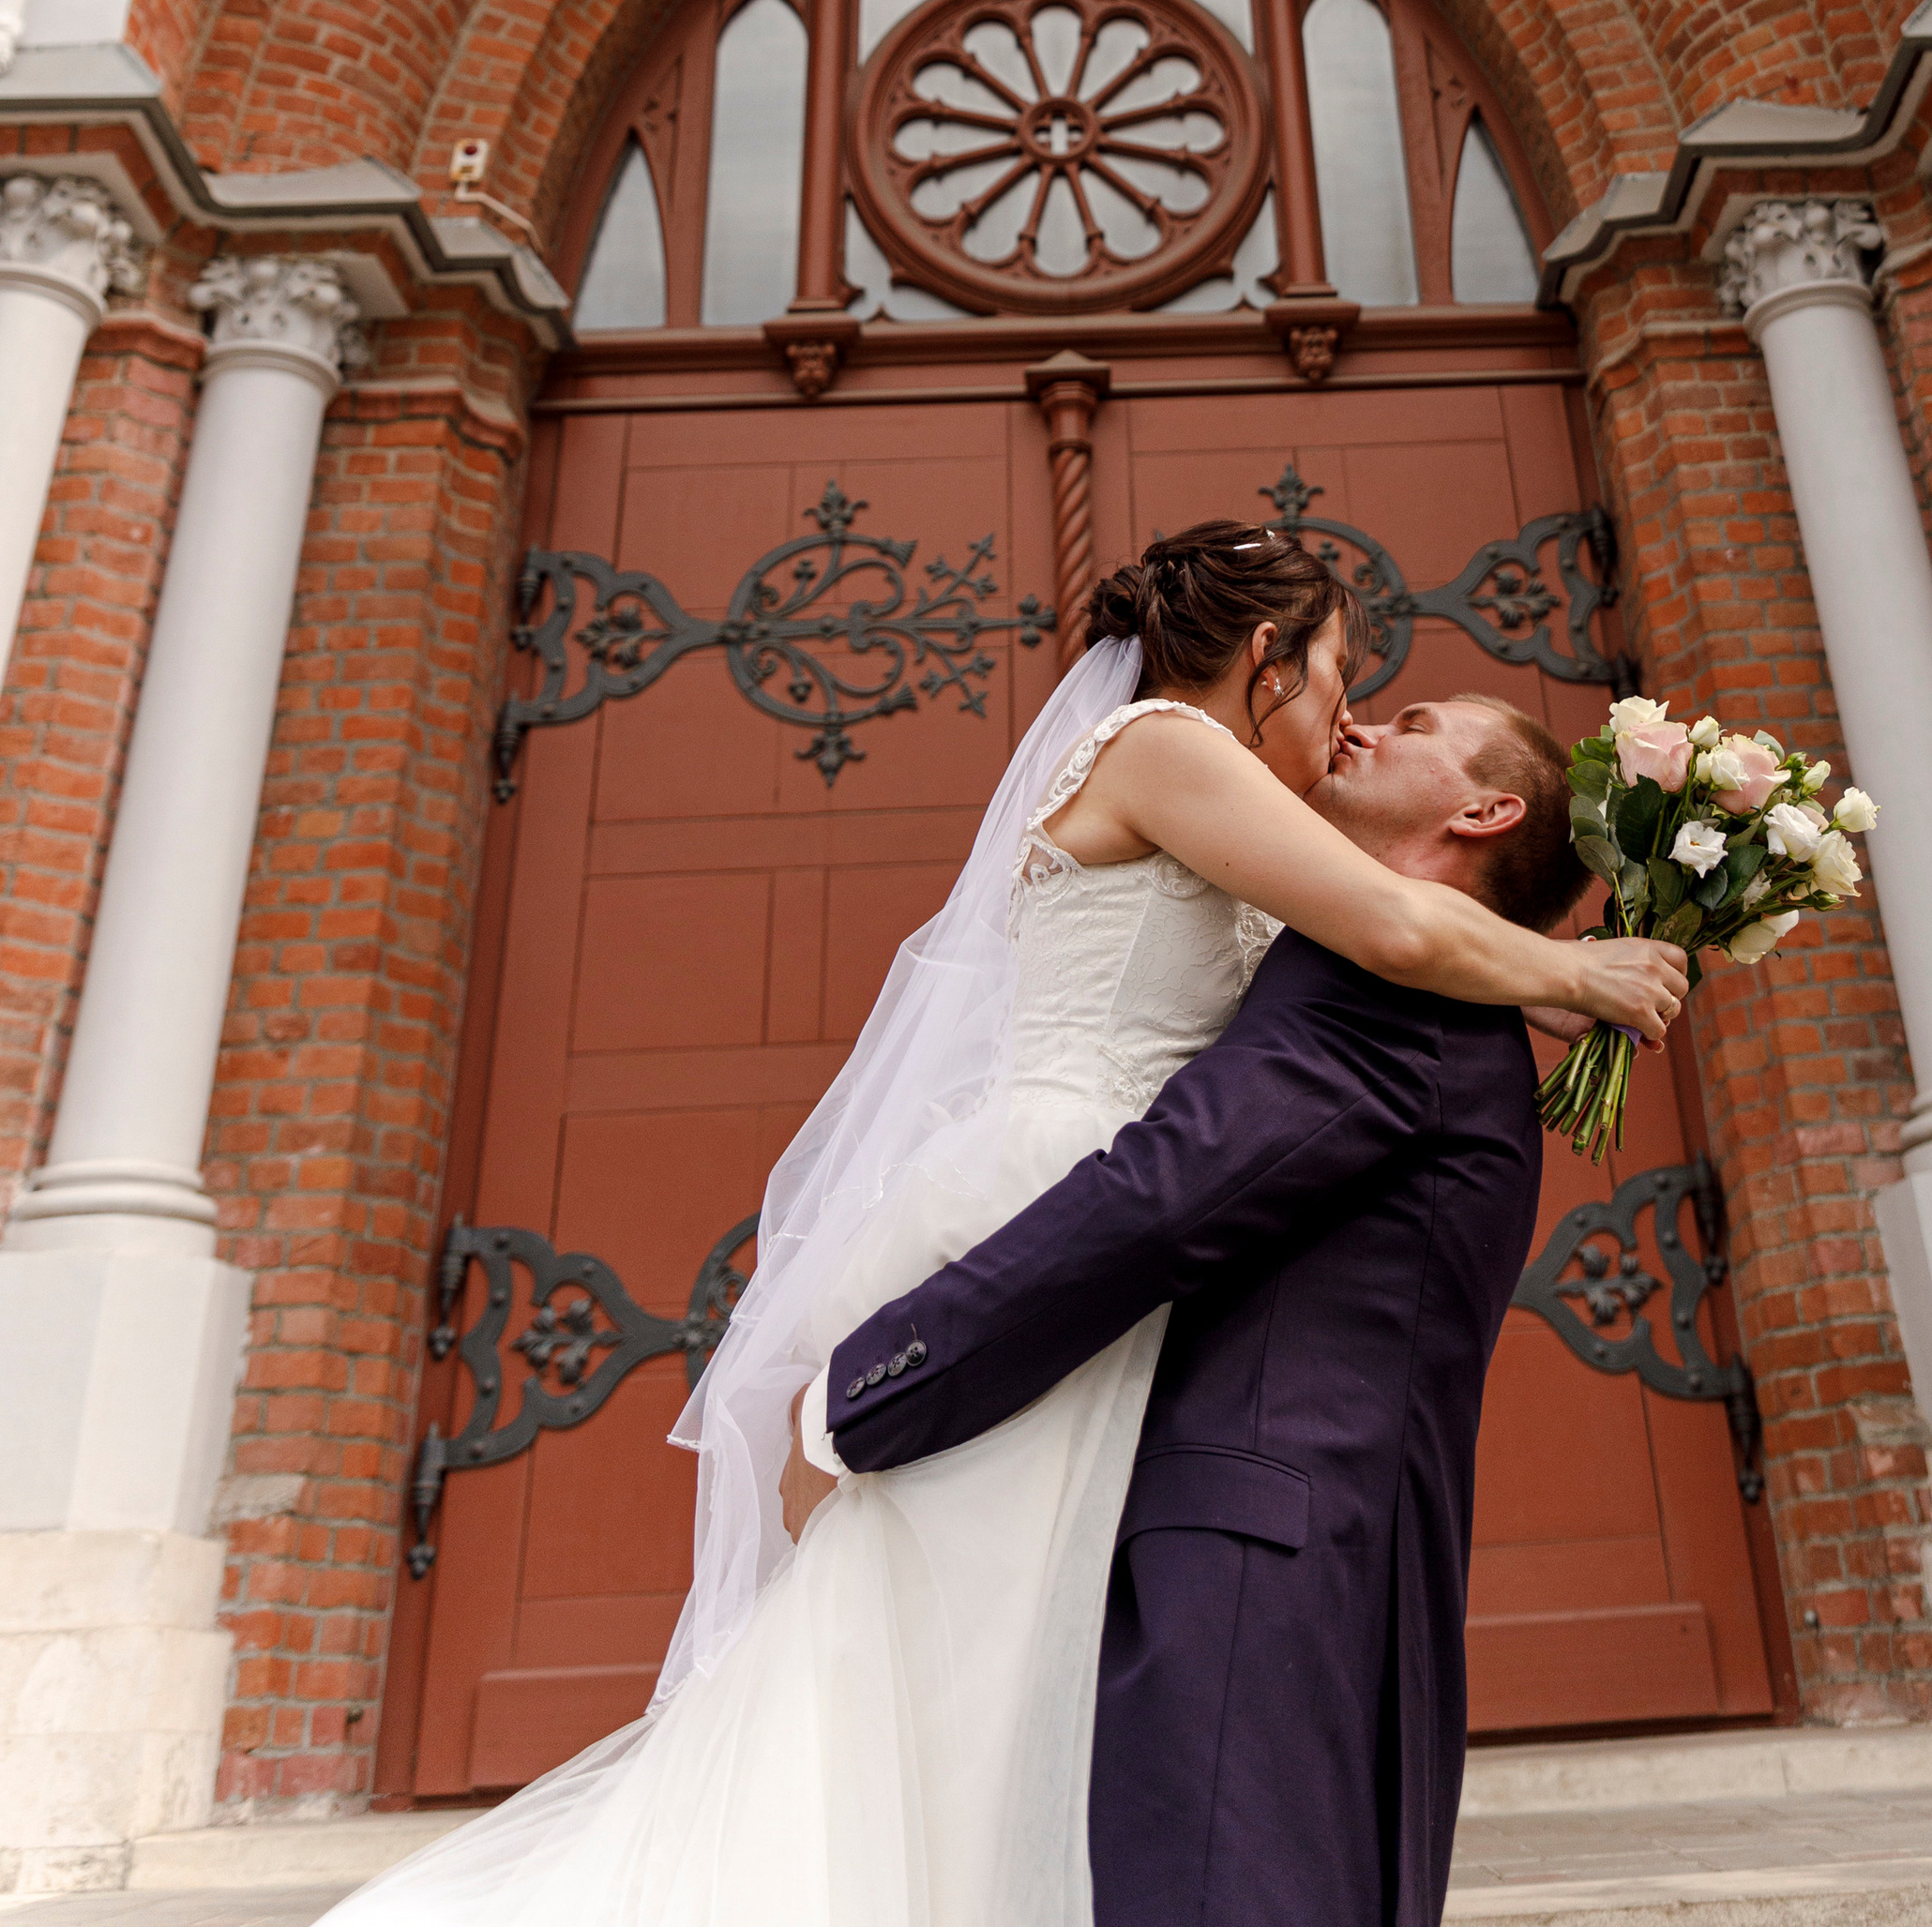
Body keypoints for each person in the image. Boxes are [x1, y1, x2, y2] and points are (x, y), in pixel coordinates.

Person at [332, 519, 1686, 1927]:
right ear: (1269, 658)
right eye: (1350, 673)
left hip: (1109, 1258)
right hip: (1054, 1198)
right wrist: (1571, 972)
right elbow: (1396, 940)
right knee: (935, 1631)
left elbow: (1384, 952)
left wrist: (1525, 976)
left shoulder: (1301, 887)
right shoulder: (1174, 747)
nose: (1353, 717)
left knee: (991, 1659)